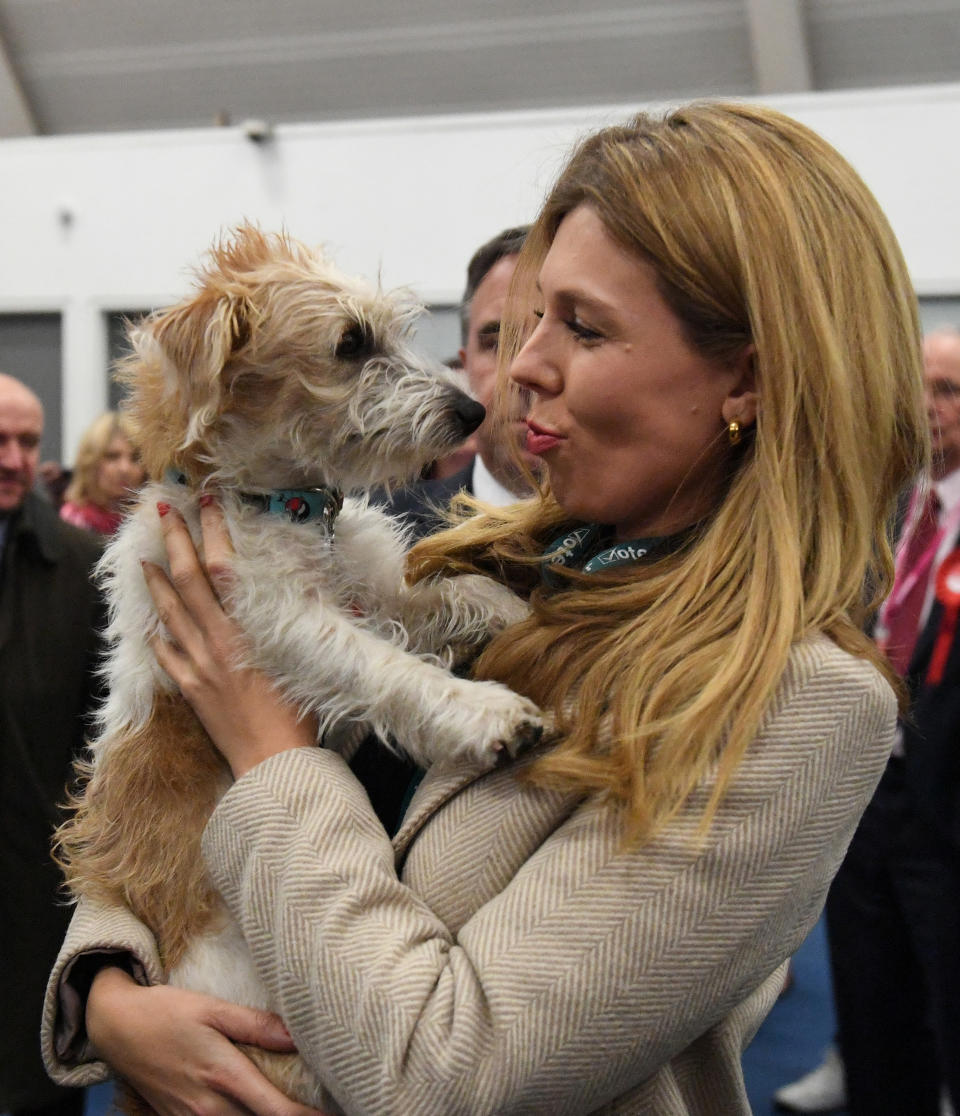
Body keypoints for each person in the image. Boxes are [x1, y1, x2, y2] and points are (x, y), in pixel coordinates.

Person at [42, 102, 926, 1115]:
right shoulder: (482, 556)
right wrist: (113, 990)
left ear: (749, 380)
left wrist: (270, 754)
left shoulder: (797, 699)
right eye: (525, 321)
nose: (519, 371)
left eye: (582, 327)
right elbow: (146, 776)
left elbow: (449, 1077)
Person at [814, 326, 960, 1116]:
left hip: (948, 814)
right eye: (921, 390)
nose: (929, 410)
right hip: (868, 795)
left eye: (950, 392)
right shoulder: (894, 504)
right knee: (873, 1011)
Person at [0, 373, 105, 1116]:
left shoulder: (79, 568)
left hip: (34, 906)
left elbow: (100, 750)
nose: (13, 458)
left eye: (28, 441)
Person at [387, 225, 535, 538]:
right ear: (465, 366)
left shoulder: (656, 545)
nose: (524, 371)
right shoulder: (382, 538)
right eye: (496, 343)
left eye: (575, 335)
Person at [59, 411, 144, 536]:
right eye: (112, 457)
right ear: (90, 463)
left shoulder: (152, 524)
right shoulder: (70, 523)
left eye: (135, 458)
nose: (124, 468)